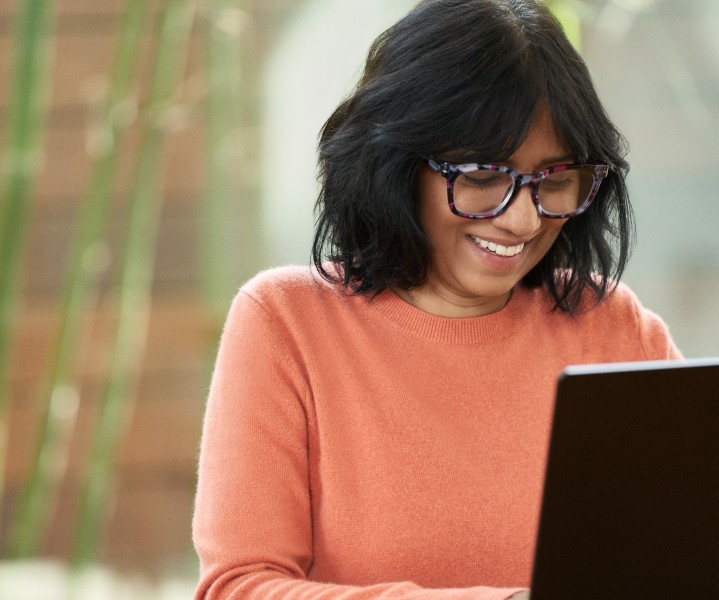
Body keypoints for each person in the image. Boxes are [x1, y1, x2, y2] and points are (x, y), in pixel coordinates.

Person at [192, 0, 682, 598]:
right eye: (482, 177)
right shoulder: (285, 323)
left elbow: (703, 540)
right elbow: (239, 586)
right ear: (394, 167)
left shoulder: (613, 327)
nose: (524, 218)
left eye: (555, 181)